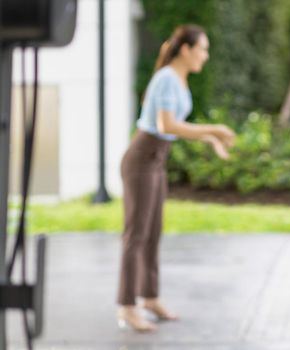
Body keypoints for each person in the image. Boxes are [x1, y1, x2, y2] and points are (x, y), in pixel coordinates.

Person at [117, 24, 236, 332]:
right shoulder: (167, 78)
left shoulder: (178, 78)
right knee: (136, 235)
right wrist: (214, 130)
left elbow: (176, 127)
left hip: (157, 159)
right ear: (186, 49)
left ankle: (150, 297)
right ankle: (127, 306)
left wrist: (212, 141)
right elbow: (167, 125)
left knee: (153, 231)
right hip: (142, 158)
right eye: (202, 49)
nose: (205, 56)